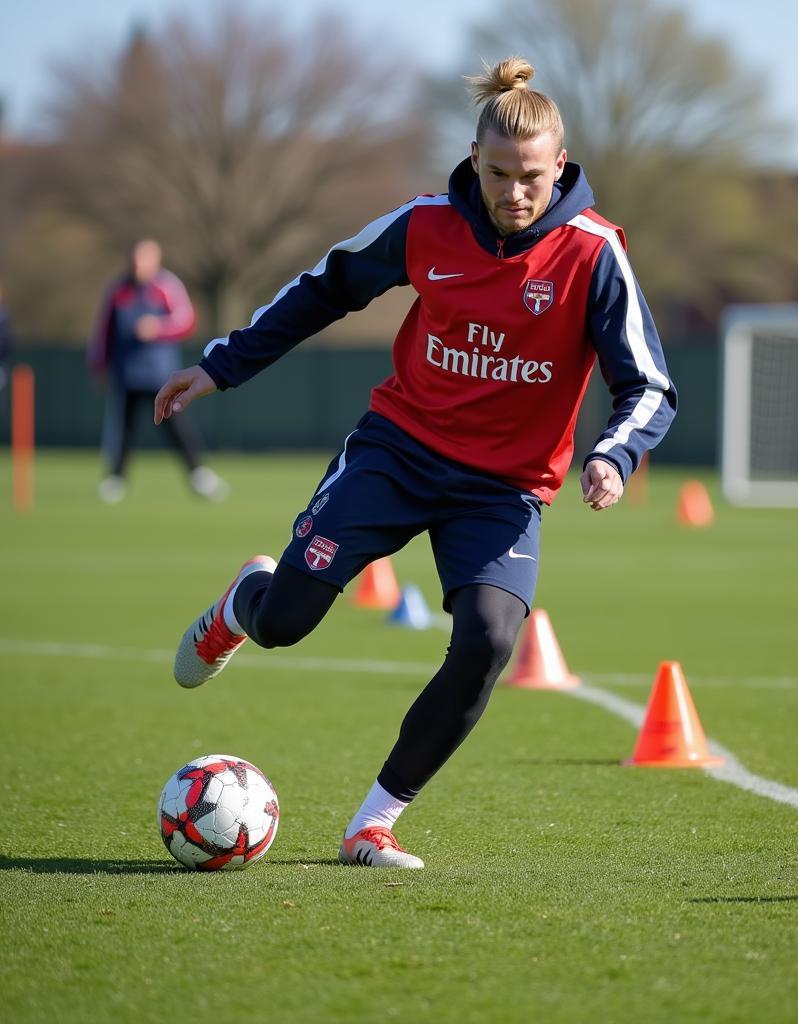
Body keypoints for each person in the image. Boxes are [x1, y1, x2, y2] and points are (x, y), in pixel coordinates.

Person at [154, 57, 677, 869]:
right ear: (474, 160)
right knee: (286, 622)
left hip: (503, 490)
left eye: (532, 178)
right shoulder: (425, 225)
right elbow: (323, 287)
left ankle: (374, 823)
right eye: (498, 174)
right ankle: (240, 607)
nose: (514, 194)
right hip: (397, 453)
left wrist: (613, 454)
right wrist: (221, 365)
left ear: (562, 166)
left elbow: (647, 384)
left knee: (489, 639)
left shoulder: (594, 254)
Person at [89, 239, 227, 503]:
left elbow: (187, 321)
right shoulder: (118, 290)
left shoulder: (167, 285)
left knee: (176, 425)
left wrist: (157, 327)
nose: (138, 264)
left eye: (144, 259)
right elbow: (104, 332)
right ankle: (115, 479)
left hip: (160, 374)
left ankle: (198, 475)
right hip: (126, 373)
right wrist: (100, 364)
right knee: (123, 428)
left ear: (156, 260)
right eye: (135, 258)